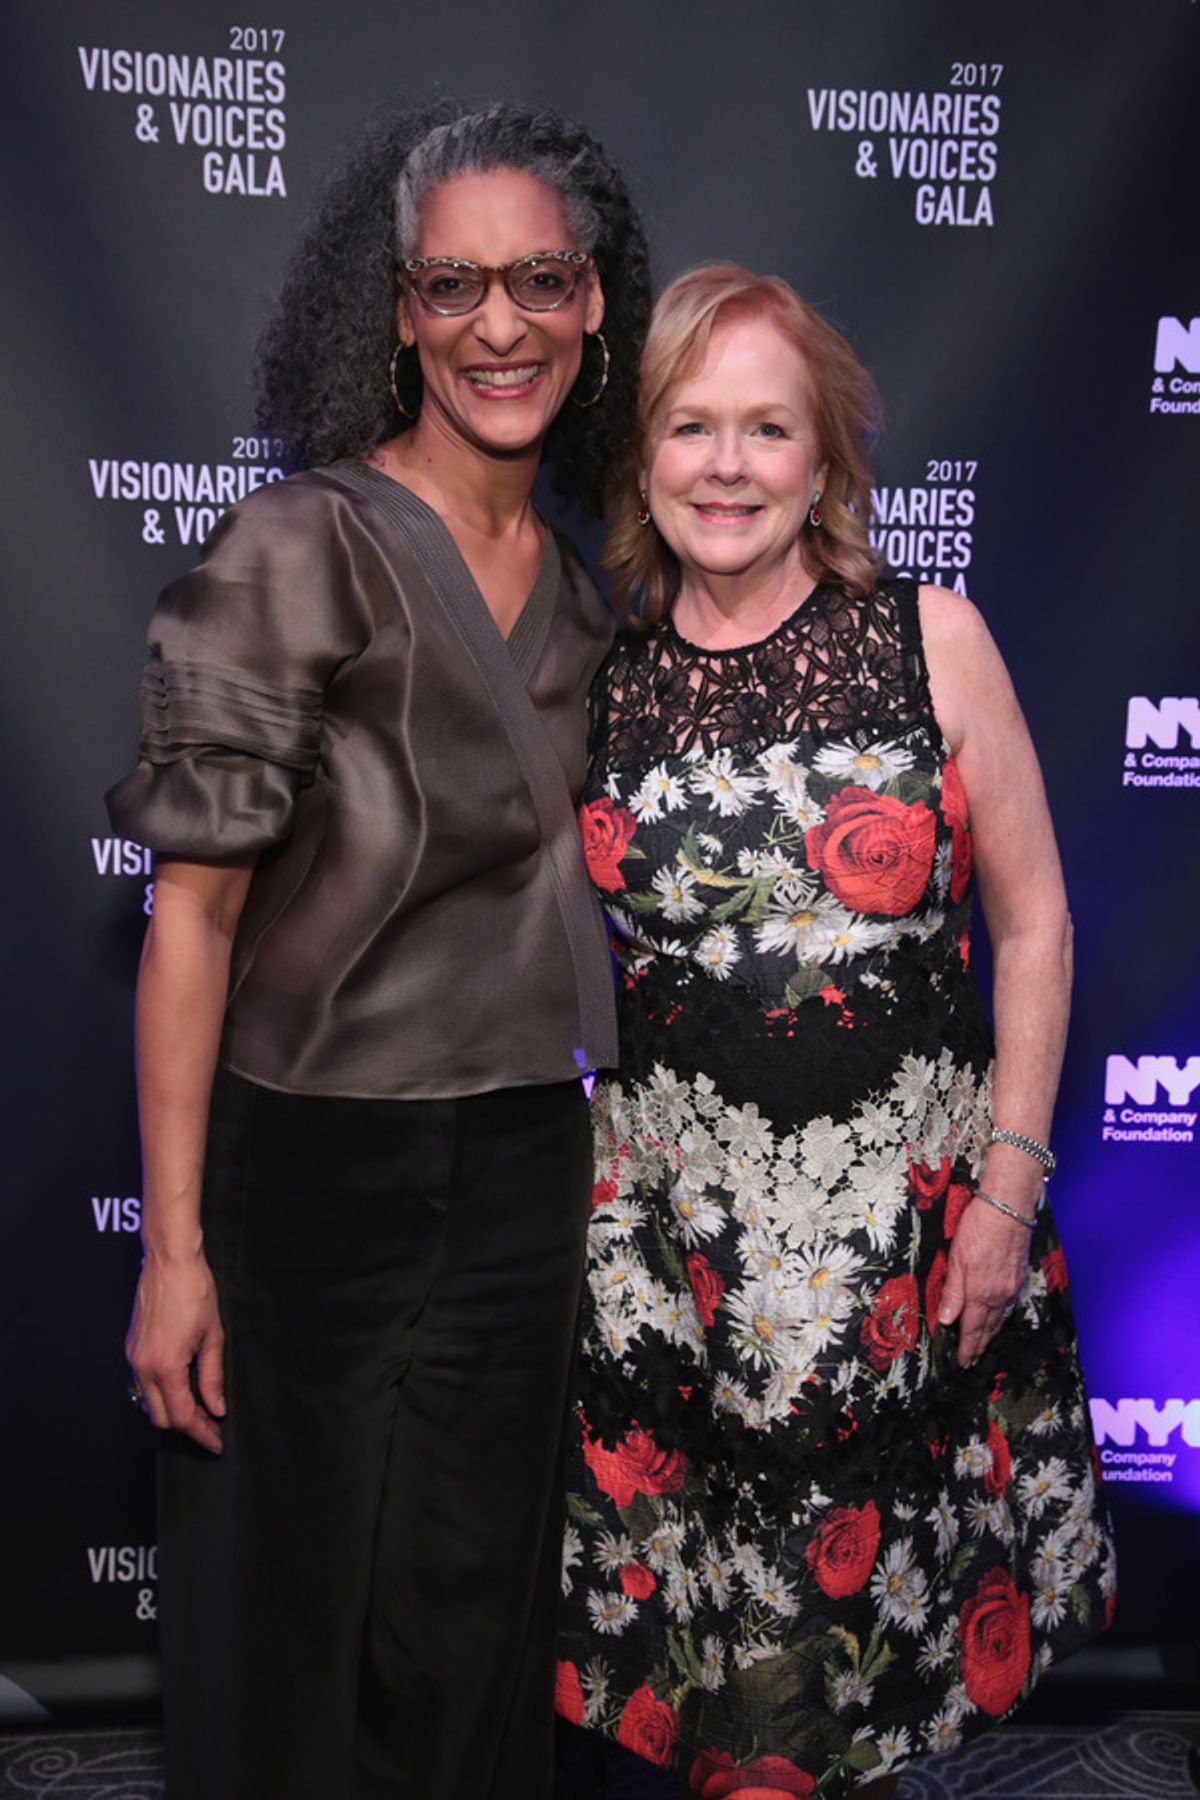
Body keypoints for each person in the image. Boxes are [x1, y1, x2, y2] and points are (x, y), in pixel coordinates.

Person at [106, 100, 650, 1800]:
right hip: (310, 1169)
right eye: (454, 286)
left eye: (539, 280)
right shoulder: (298, 546)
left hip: (523, 1165)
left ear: (593, 306)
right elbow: (193, 917)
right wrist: (176, 1249)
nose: (500, 326)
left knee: (470, 1641)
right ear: (400, 312)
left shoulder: (588, 592)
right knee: (276, 1644)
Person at [555, 266, 1115, 1797]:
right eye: (689, 426)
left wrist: (1006, 1194)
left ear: (825, 462)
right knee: (715, 1699)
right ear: (641, 458)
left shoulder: (933, 639)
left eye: (767, 428)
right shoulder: (593, 677)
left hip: (901, 1265)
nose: (726, 465)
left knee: (848, 1694)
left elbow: (1038, 926)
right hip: (672, 1279)